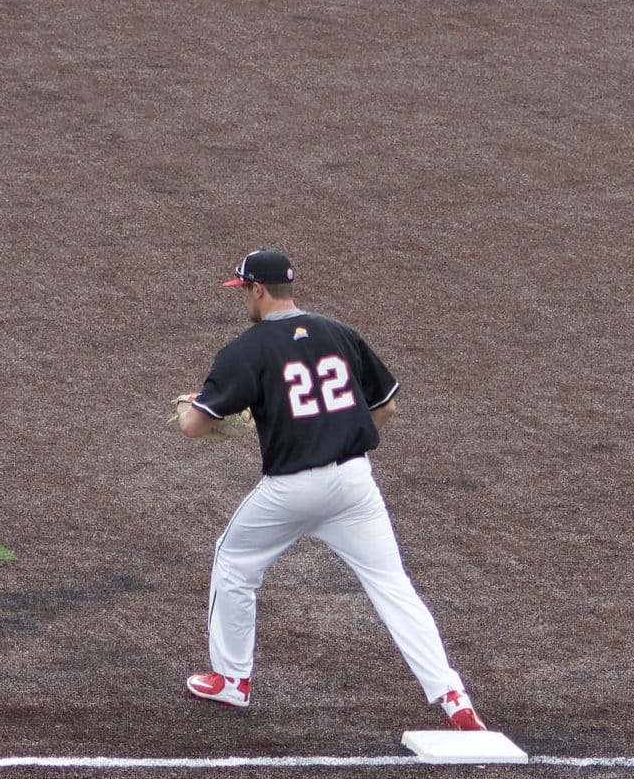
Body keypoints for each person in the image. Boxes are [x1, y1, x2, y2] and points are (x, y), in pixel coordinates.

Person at [171, 250, 484, 730]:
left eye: (244, 291)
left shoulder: (246, 349)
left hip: (291, 489)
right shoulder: (339, 332)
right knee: (392, 586)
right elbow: (386, 408)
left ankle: (233, 680)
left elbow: (195, 427)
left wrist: (188, 403)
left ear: (257, 289)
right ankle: (453, 698)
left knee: (234, 560)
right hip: (355, 484)